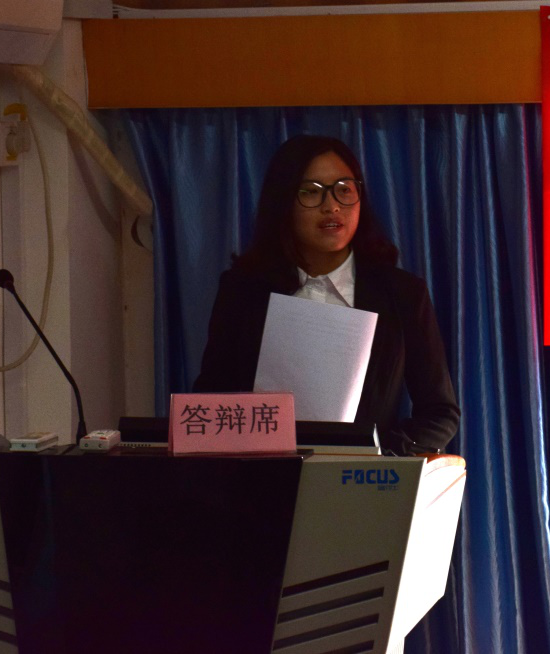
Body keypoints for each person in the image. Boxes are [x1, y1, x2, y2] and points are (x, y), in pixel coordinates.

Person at [194, 134, 460, 455]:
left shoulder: (403, 294)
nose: (331, 205)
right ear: (283, 202)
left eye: (344, 189)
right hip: (266, 477)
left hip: (365, 479)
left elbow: (440, 413)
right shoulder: (243, 291)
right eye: (311, 192)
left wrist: (383, 455)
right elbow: (209, 402)